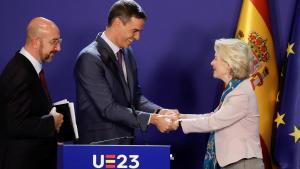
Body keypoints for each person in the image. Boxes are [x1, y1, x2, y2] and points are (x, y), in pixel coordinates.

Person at [74, 0, 178, 145]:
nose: (137, 37)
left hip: (125, 144)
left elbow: (135, 97)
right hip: (98, 148)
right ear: (117, 24)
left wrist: (159, 112)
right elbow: (108, 108)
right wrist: (153, 119)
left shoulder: (127, 53)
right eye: (134, 31)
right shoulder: (89, 58)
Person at [172, 39, 264, 169]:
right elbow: (213, 116)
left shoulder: (241, 94)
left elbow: (214, 121)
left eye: (216, 58)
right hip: (234, 162)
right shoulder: (233, 90)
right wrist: (181, 117)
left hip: (242, 164)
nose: (211, 62)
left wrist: (177, 123)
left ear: (229, 64)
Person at [0, 17, 64, 169]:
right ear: (36, 42)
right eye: (53, 42)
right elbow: (14, 124)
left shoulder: (27, 68)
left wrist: (52, 135)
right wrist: (51, 122)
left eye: (59, 41)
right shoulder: (20, 73)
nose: (58, 48)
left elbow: (31, 113)